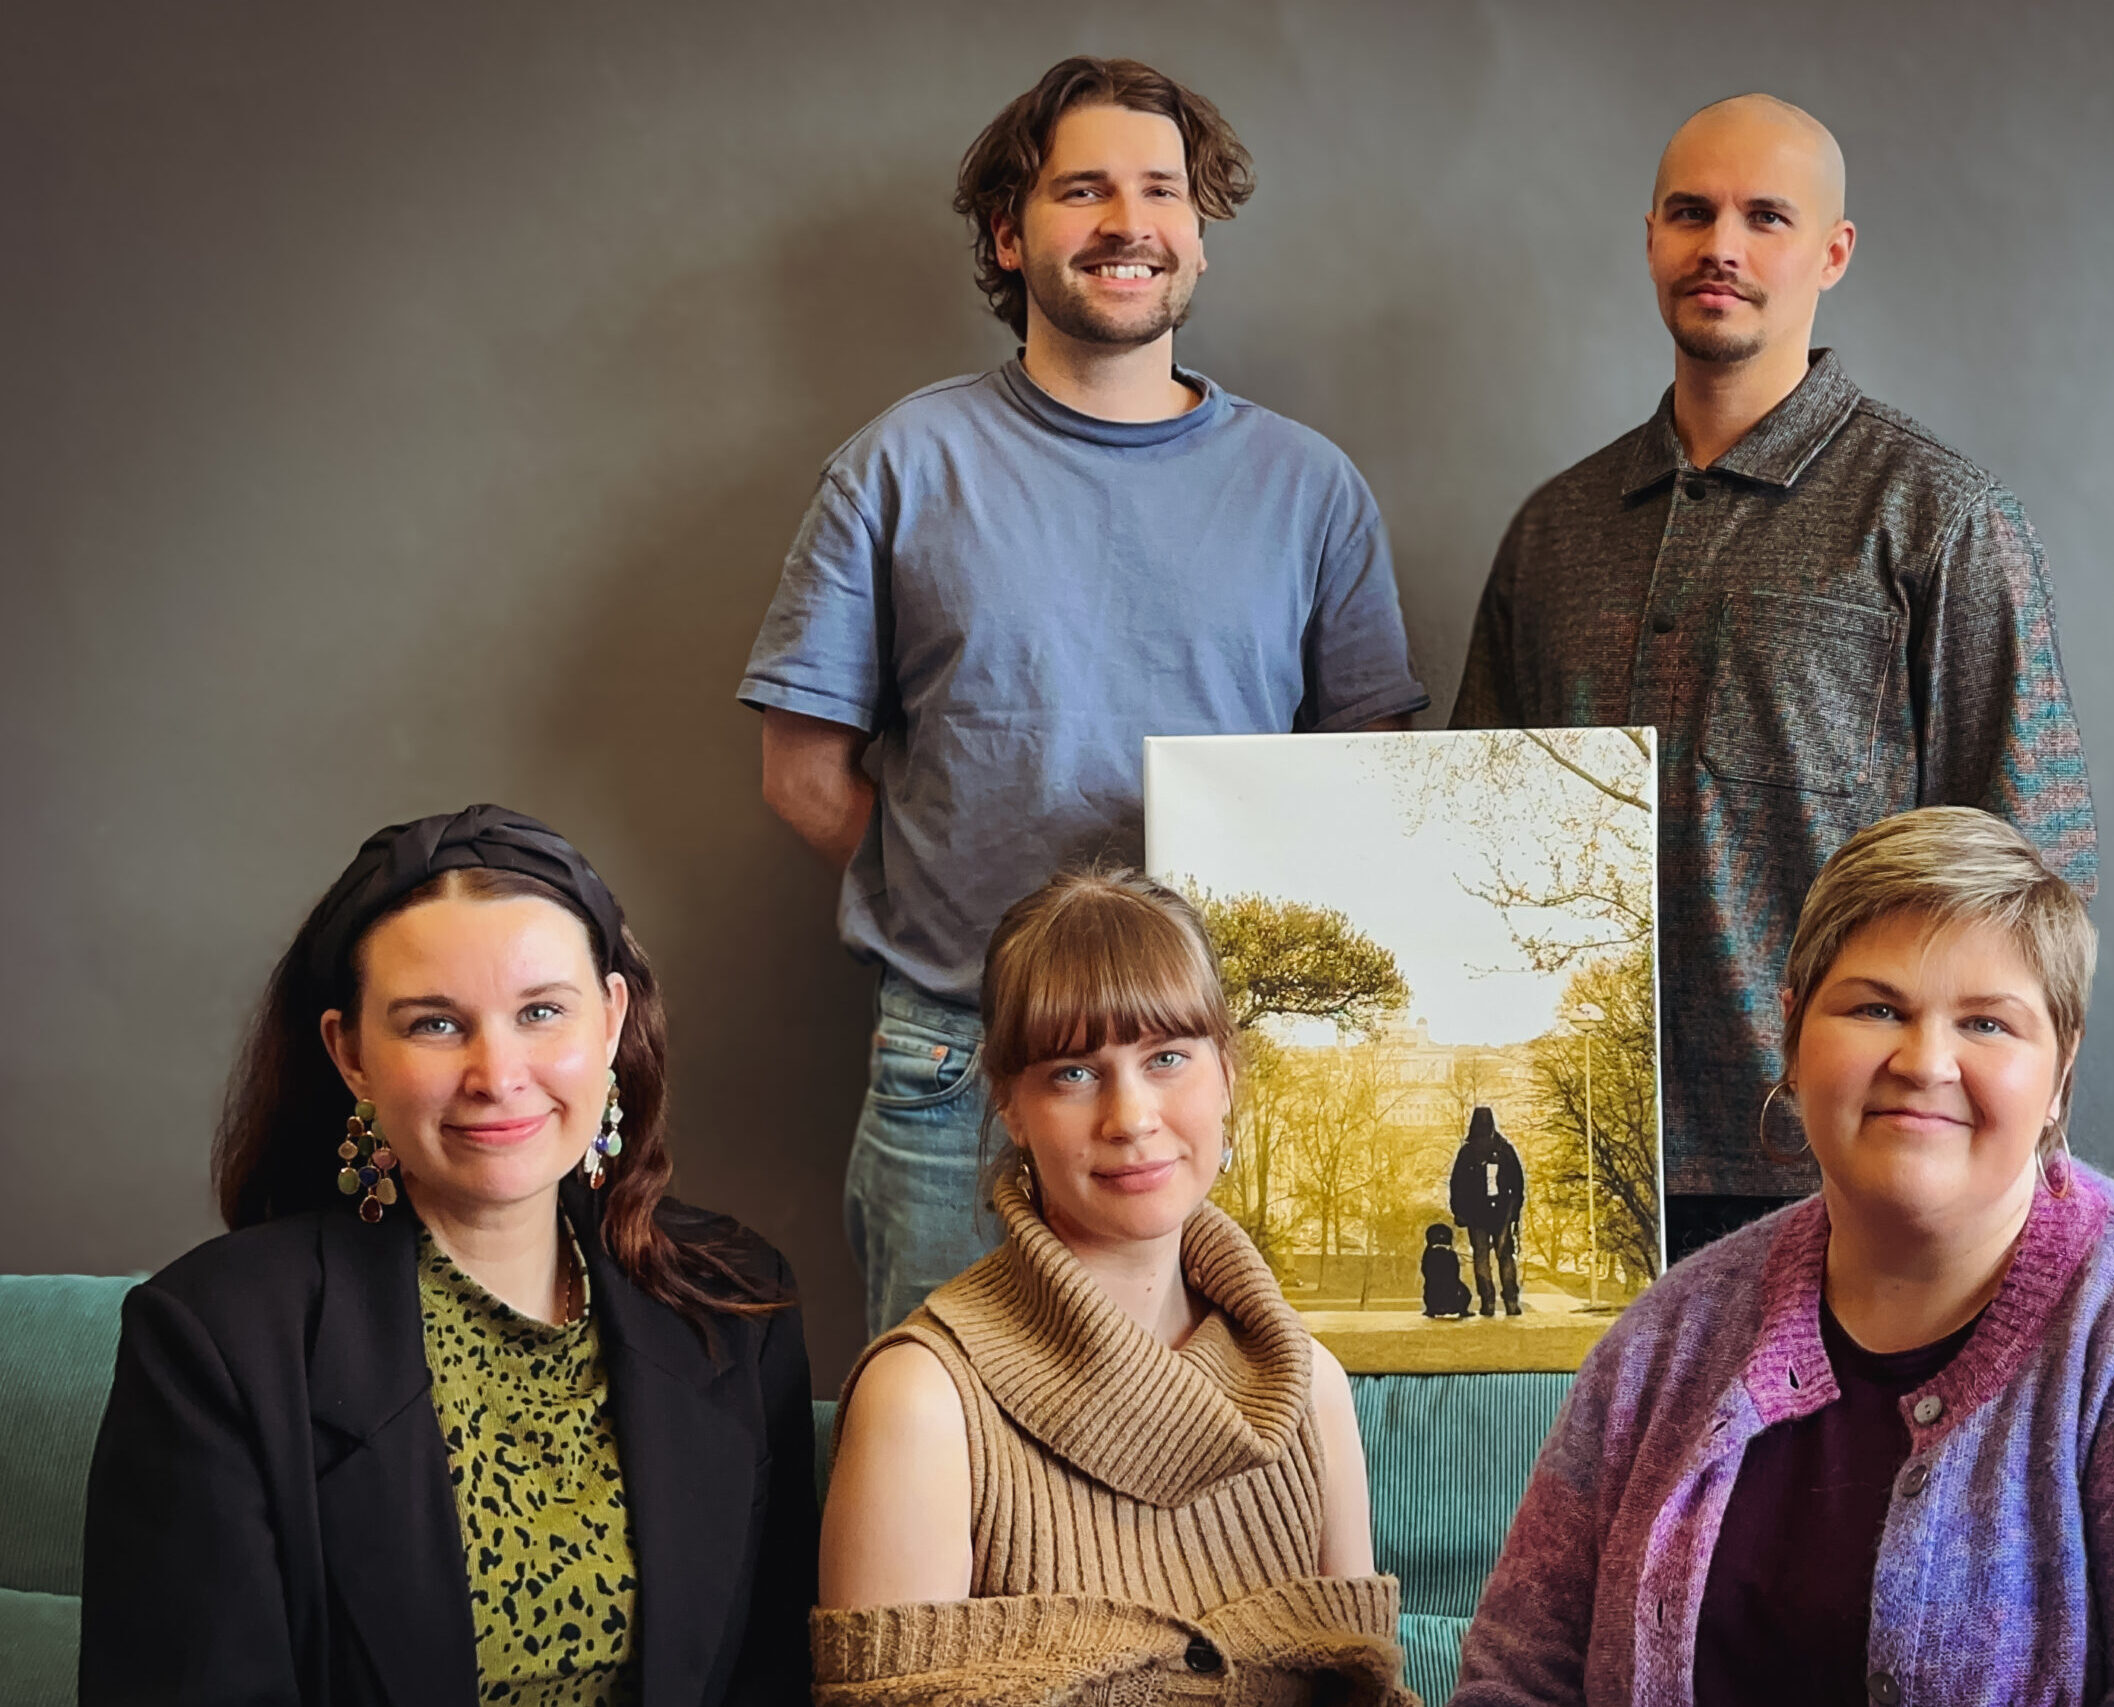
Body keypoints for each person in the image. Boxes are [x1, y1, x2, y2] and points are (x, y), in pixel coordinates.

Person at [741, 55, 1430, 1341]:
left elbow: (1366, 789)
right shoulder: (899, 466)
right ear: (1010, 234)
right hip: (961, 1063)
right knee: (945, 1457)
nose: (1128, 223)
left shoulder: (1310, 488)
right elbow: (802, 775)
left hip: (1231, 1073)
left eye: (1161, 191)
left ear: (1199, 235)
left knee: (1230, 1471)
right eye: (1083, 191)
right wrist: (967, 913)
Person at [1452, 807, 2114, 1706]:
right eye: (1877, 1006)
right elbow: (1514, 1675)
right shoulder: (1664, 1340)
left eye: (1987, 1023)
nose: (1926, 1060)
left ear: (2060, 1071)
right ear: (1793, 1034)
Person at [1449, 93, 2099, 1258]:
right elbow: (1468, 834)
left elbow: (2034, 867)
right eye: (1692, 214)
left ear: (1832, 251)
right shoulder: (1554, 532)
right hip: (1579, 1154)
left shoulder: (1937, 517)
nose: (1723, 248)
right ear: (1650, 235)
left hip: (1834, 1153)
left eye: (1766, 216)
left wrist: (2000, 1150)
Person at [81, 806, 817, 1707]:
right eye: (434, 1024)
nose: (497, 1073)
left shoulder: (734, 1303)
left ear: (613, 1018)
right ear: (350, 1053)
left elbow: (776, 1680)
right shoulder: (214, 1341)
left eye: (542, 1010)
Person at [813, 867, 1414, 1706]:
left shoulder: (1312, 1388)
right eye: (1073, 1072)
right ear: (1010, 1104)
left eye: (1166, 1057)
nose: (1130, 1117)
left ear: (1228, 1073)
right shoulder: (921, 1400)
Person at [1447, 1106, 1525, 1317]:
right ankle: (1510, 1300)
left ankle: (1487, 1302)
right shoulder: (1504, 1150)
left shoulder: (1468, 1152)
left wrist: (1459, 1211)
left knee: (1481, 1258)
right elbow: (1517, 1182)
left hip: (1476, 1213)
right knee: (1505, 1257)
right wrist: (1515, 1210)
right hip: (1502, 1211)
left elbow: (1457, 1185)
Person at [1420, 1222, 1472, 1319]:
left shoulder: (1428, 1254)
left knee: (1428, 1286)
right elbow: (1456, 1274)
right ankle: (1463, 1310)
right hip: (1454, 1304)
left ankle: (1430, 1309)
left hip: (1434, 1302)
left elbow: (1424, 1271)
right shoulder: (1451, 1254)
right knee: (1463, 1288)